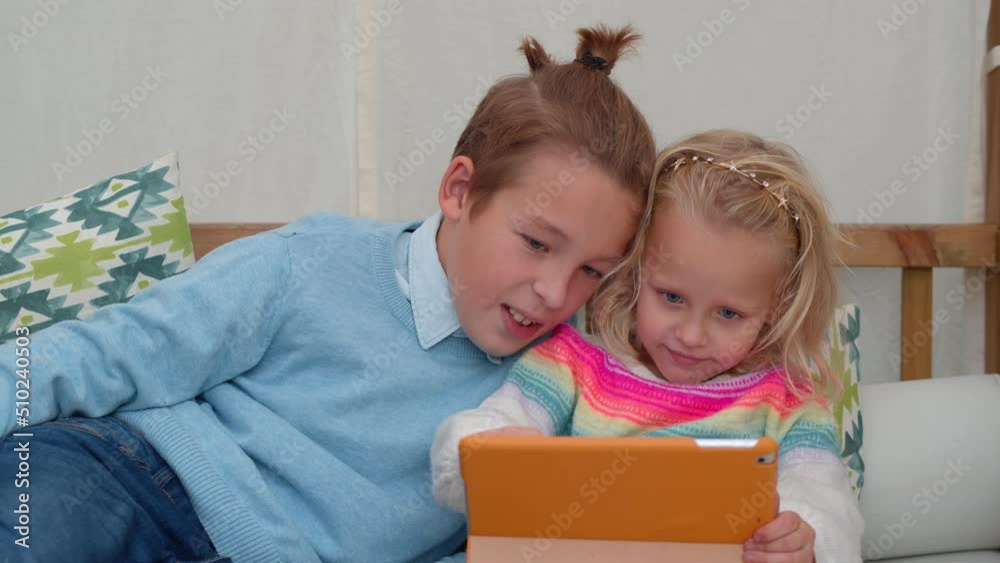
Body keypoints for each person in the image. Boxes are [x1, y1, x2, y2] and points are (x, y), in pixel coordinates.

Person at [0, 25, 656, 563]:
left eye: (592, 271)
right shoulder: (311, 261)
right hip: (138, 477)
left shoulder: (561, 384)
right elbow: (112, 349)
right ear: (461, 190)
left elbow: (517, 542)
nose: (554, 292)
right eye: (536, 243)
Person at [431, 130, 865, 563]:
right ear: (635, 272)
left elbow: (826, 502)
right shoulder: (571, 364)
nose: (691, 336)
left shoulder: (788, 403)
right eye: (671, 297)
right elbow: (477, 438)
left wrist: (805, 541)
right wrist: (497, 450)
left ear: (775, 308)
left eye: (729, 314)